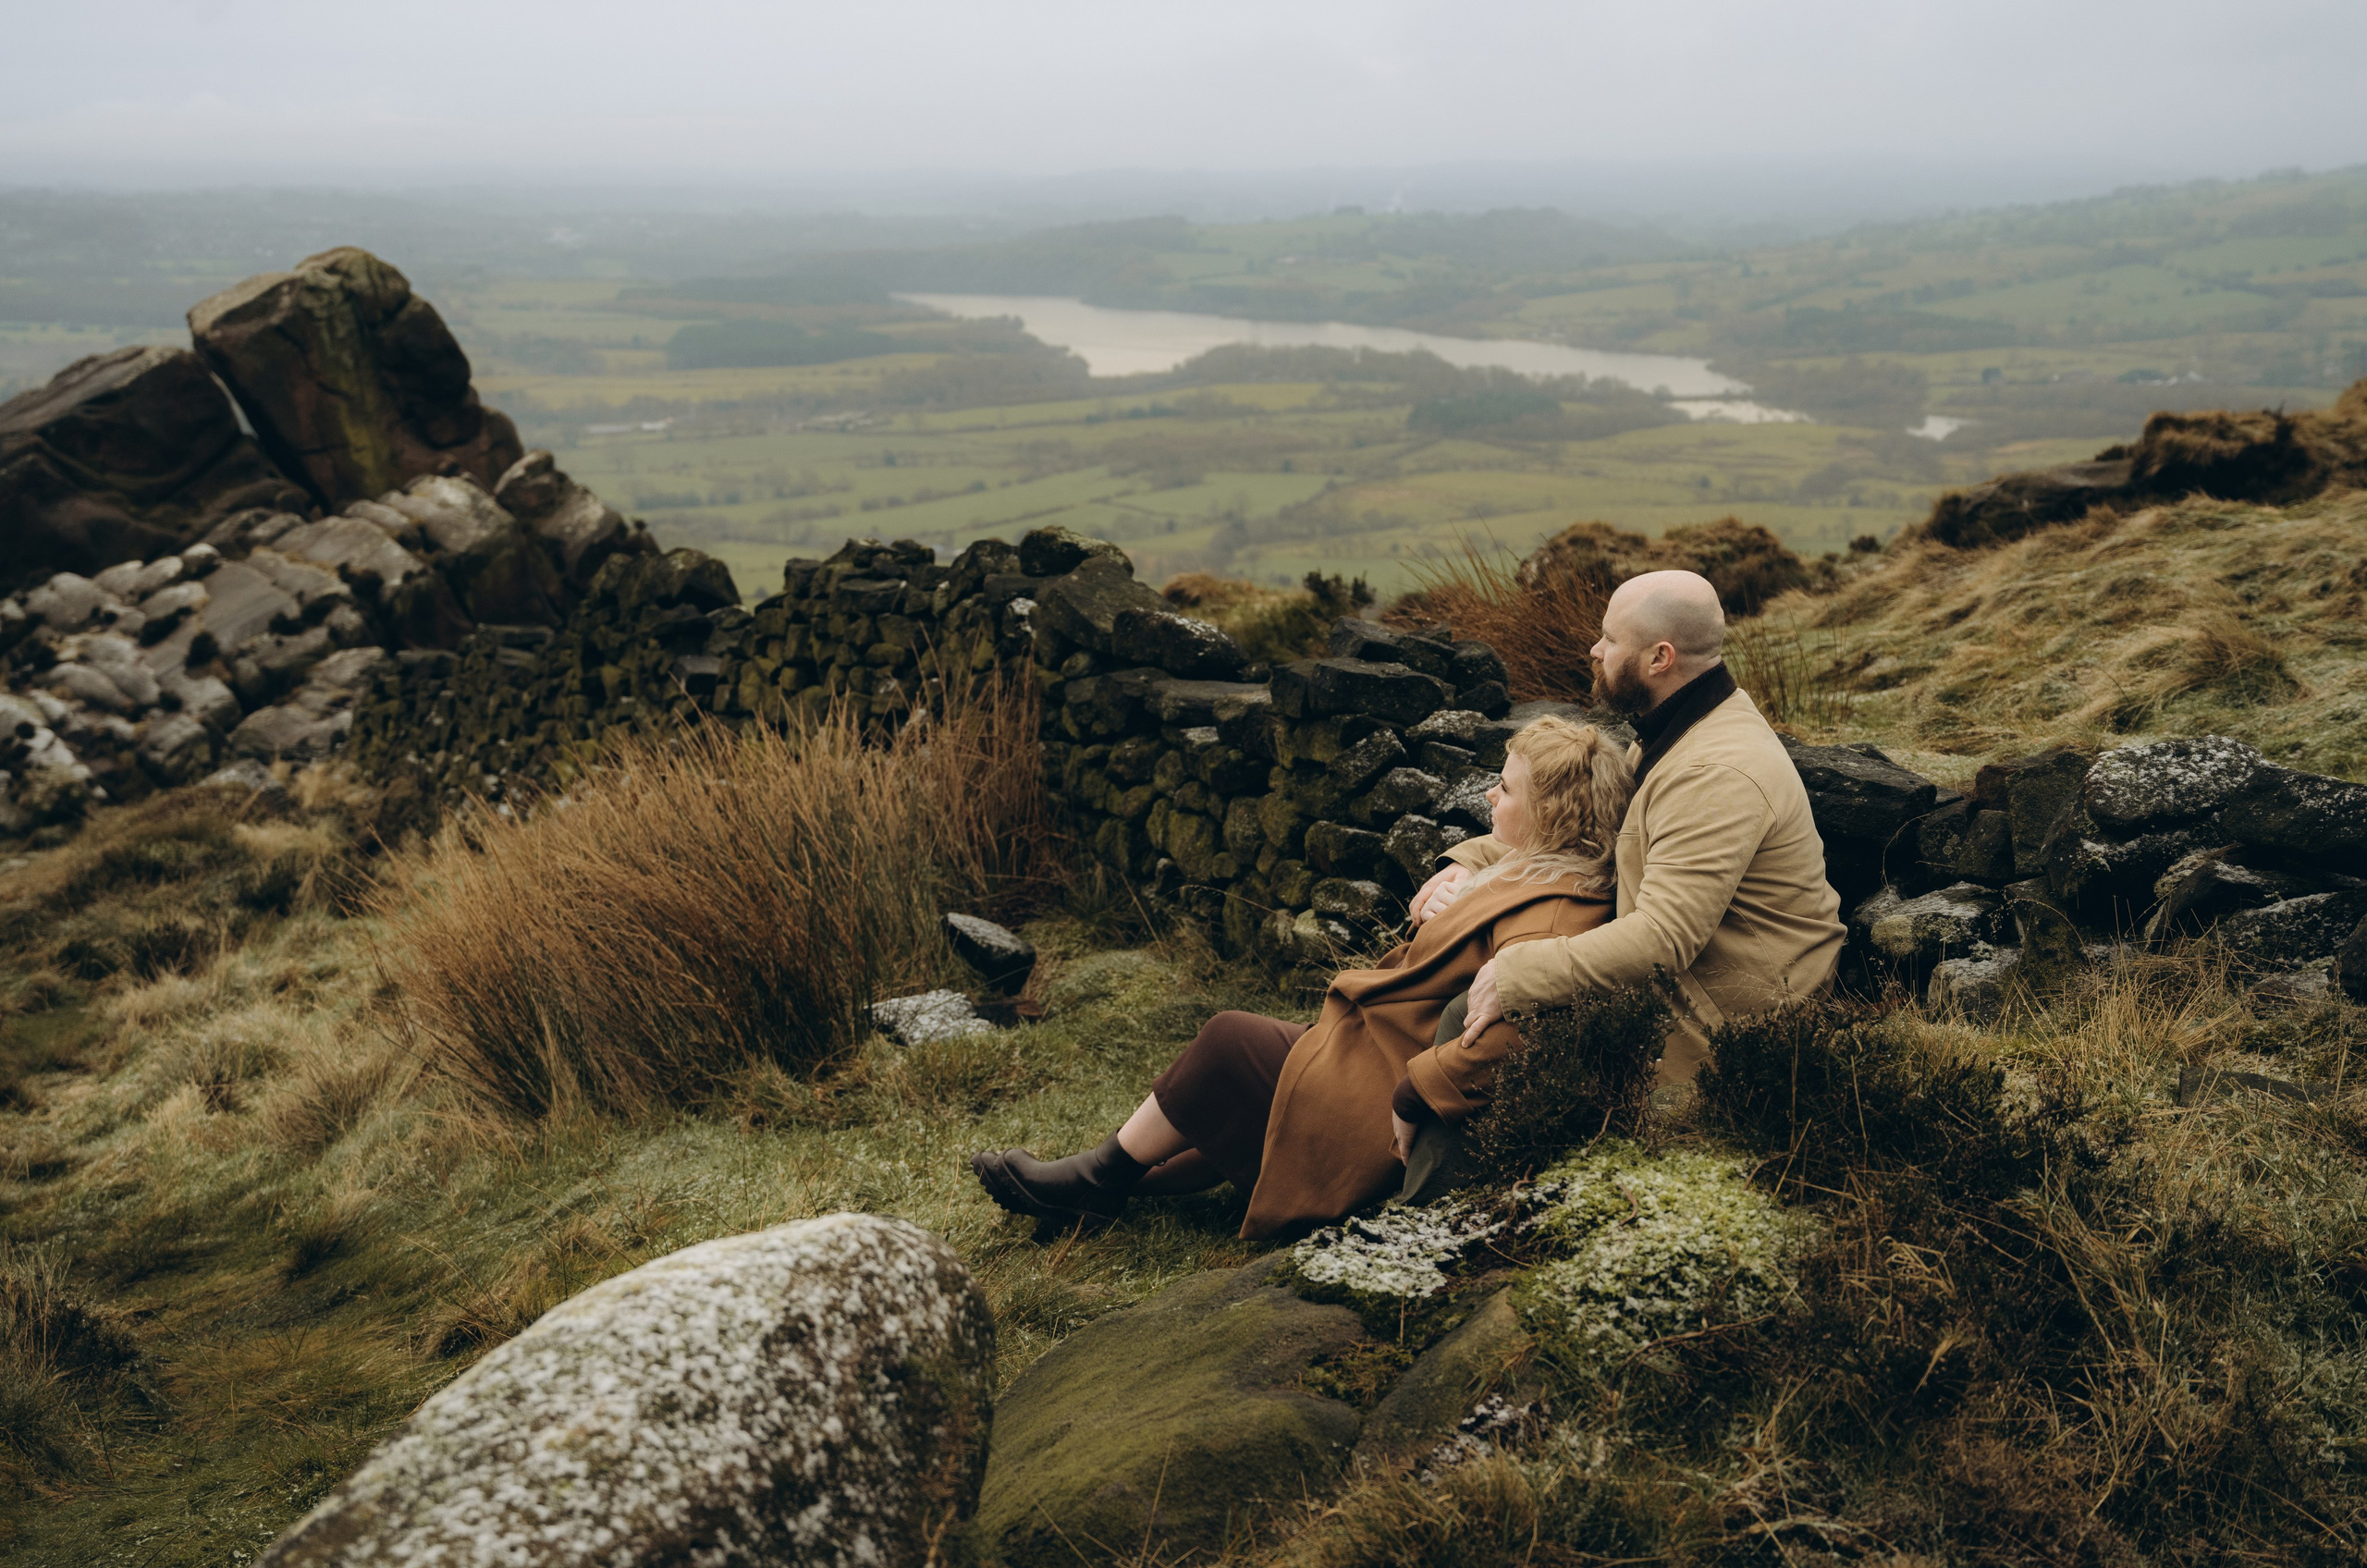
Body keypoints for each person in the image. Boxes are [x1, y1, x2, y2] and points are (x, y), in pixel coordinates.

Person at [971, 717, 1632, 1238]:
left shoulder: (1554, 912)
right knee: (1257, 1087)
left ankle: (1097, 1177)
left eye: (1506, 788)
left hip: (1387, 1090)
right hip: (1370, 1054)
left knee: (1231, 1042)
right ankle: (1108, 1185)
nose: (1490, 794)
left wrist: (1413, 1094)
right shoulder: (1533, 871)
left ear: (1551, 815)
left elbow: (1511, 1038)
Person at [1410, 569, 1845, 1086]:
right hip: (1688, 991)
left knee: (1469, 1022)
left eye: (1611, 639)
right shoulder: (1676, 730)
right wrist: (1470, 861)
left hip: (1725, 1026)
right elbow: (1589, 831)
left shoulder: (1714, 774)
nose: (1595, 649)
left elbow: (1663, 938)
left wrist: (1517, 977)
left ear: (1660, 658)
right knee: (1457, 1003)